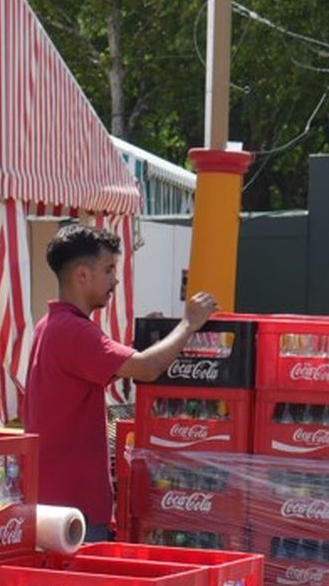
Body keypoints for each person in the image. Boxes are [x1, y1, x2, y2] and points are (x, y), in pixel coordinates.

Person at [22, 224, 218, 541]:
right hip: (73, 507)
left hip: (53, 499)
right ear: (82, 274)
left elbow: (116, 364)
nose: (115, 280)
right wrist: (188, 324)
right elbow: (147, 368)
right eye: (109, 269)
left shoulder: (51, 324)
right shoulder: (74, 331)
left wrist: (155, 338)